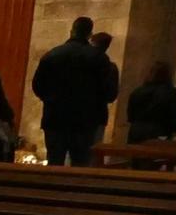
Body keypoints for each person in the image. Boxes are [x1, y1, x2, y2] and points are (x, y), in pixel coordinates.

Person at [32, 16, 118, 165]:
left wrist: (51, 99)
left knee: (54, 163)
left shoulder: (52, 55)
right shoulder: (99, 59)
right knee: (80, 164)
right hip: (85, 120)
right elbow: (108, 92)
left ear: (71, 31)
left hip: (55, 118)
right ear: (89, 34)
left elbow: (38, 85)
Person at [125, 61, 176, 143]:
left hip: (136, 134)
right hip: (160, 135)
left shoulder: (137, 92)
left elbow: (131, 116)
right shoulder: (171, 94)